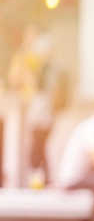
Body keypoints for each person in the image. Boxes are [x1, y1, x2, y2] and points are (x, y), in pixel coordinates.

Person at [7, 27, 68, 185]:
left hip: (43, 116)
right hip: (42, 115)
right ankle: (45, 179)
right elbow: (16, 77)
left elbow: (43, 93)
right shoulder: (42, 67)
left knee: (37, 149)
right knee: (40, 149)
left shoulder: (50, 69)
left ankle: (38, 180)